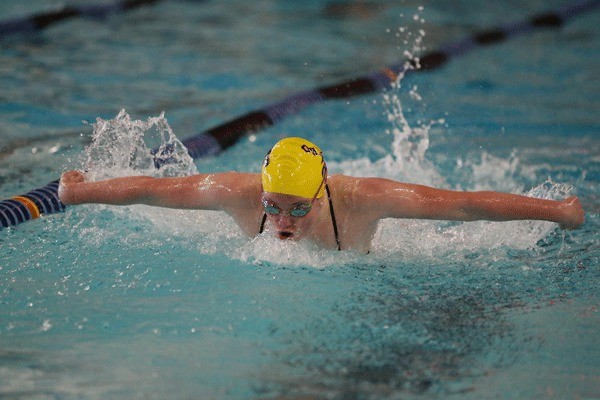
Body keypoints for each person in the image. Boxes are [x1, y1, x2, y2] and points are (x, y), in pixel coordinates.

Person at [59, 137, 585, 252]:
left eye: (298, 207)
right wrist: (79, 194)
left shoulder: (364, 198)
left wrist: (560, 212)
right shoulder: (236, 193)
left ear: (323, 195)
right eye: (273, 206)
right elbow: (157, 191)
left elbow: (462, 204)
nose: (283, 220)